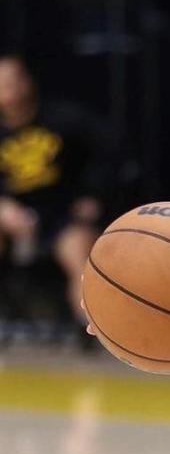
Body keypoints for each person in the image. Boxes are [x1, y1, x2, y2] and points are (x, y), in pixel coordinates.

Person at [0, 53, 103, 325]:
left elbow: (107, 156)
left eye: (14, 81)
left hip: (62, 216)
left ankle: (91, 331)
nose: (10, 90)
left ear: (27, 81)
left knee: (80, 256)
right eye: (2, 84)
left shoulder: (64, 120)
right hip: (14, 219)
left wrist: (93, 196)